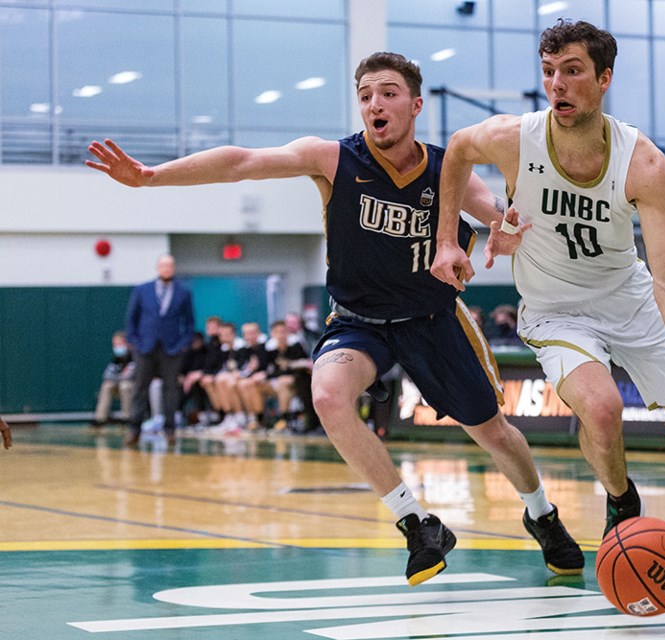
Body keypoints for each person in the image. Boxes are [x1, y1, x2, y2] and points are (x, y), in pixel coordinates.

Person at [85, 51, 583, 587]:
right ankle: (416, 524)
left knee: (494, 432)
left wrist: (503, 228)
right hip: (358, 320)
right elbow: (240, 162)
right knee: (327, 396)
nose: (375, 103)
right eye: (366, 94)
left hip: (431, 315)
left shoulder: (447, 166)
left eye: (388, 92)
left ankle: (541, 514)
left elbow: (493, 213)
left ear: (415, 105)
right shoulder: (333, 159)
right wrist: (151, 177)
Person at [431, 19, 665, 594]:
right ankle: (620, 500)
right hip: (555, 310)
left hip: (630, 299)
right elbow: (455, 152)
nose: (557, 84)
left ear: (604, 79)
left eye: (573, 71)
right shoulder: (515, 138)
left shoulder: (644, 163)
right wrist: (448, 240)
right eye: (549, 72)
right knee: (603, 410)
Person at [122, 254, 195, 448]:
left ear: (174, 268)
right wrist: (135, 342)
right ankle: (134, 428)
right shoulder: (142, 290)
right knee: (140, 388)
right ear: (158, 268)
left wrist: (182, 344)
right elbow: (131, 320)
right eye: (164, 265)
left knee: (170, 389)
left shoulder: (183, 292)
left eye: (170, 265)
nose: (167, 269)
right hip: (145, 347)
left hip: (171, 349)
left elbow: (189, 323)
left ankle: (170, 429)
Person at [91, 330, 135, 427]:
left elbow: (130, 375)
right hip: (118, 385)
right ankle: (100, 418)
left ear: (127, 344)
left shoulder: (134, 357)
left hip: (133, 387)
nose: (117, 347)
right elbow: (107, 375)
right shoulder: (116, 359)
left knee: (125, 386)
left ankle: (127, 418)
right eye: (115, 345)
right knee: (107, 385)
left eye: (120, 344)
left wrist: (118, 377)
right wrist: (120, 377)